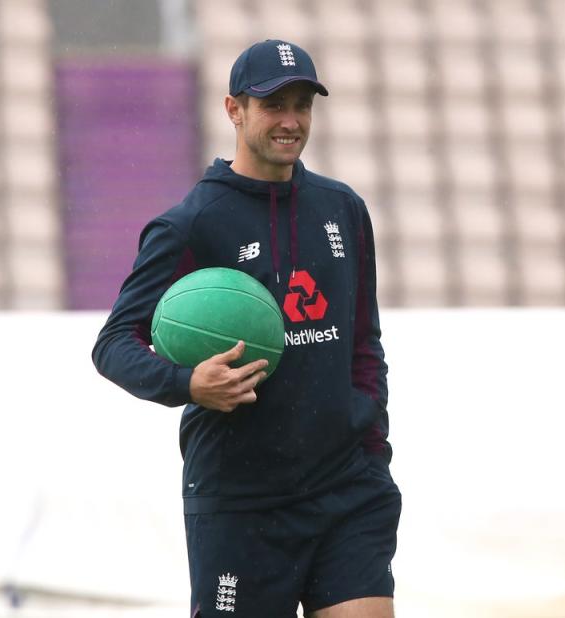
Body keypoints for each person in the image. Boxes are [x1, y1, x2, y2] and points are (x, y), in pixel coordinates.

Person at [92, 39, 400, 618]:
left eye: (302, 105)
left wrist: (369, 435)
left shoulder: (342, 209)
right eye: (272, 105)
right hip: (241, 500)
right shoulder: (191, 223)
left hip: (346, 488)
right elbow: (113, 344)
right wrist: (188, 383)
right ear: (234, 110)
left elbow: (364, 341)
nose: (291, 121)